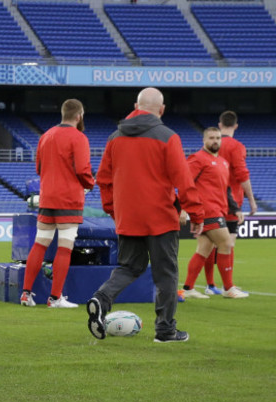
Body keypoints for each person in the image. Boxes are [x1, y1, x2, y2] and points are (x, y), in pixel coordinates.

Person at [87, 87, 204, 343]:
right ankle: (165, 331)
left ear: (135, 106)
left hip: (128, 217)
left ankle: (102, 298)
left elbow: (103, 180)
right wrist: (196, 214)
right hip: (161, 218)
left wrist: (113, 210)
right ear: (161, 110)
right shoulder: (168, 137)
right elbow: (184, 181)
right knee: (166, 274)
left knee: (128, 267)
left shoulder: (114, 137)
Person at [19, 99, 94, 308]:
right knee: (65, 247)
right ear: (79, 116)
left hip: (47, 196)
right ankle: (55, 297)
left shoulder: (46, 136)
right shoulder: (78, 138)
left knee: (40, 243)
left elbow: (38, 168)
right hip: (68, 198)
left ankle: (26, 294)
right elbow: (82, 169)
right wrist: (90, 183)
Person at [179, 128, 248, 299]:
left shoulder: (223, 162)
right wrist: (183, 208)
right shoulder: (197, 159)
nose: (215, 141)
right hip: (206, 210)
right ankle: (228, 288)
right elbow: (186, 183)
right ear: (204, 140)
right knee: (226, 243)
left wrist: (235, 209)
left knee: (204, 249)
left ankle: (188, 288)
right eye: (211, 138)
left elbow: (225, 190)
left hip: (220, 210)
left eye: (218, 138)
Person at [201, 111, 257, 295]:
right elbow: (242, 175)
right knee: (228, 242)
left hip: (211, 201)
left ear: (220, 124)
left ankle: (211, 285)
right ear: (236, 126)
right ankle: (228, 286)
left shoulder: (212, 145)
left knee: (210, 243)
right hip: (231, 202)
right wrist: (251, 200)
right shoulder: (236, 146)